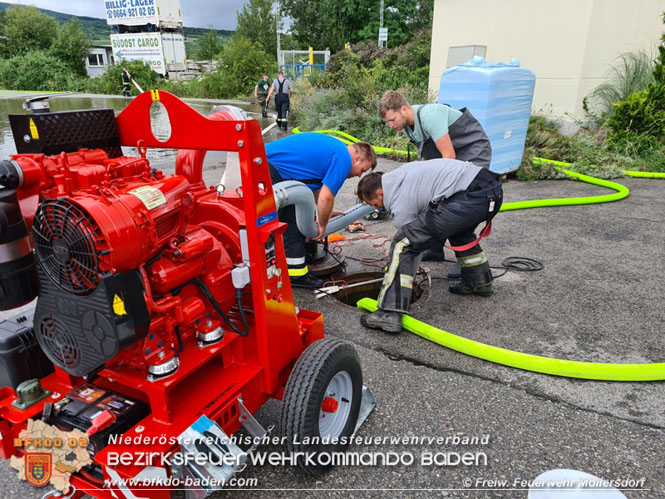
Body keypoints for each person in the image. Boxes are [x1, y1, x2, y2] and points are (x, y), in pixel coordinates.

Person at [356, 159, 502, 333]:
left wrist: (399, 268)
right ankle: (479, 281)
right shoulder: (400, 175)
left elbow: (410, 241)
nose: (378, 209)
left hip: (469, 196)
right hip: (491, 190)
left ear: (380, 193)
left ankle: (389, 312)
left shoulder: (398, 197)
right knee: (460, 233)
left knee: (402, 245)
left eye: (375, 205)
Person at [378, 90, 494, 270]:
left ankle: (466, 259)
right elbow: (426, 162)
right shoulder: (409, 128)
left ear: (404, 109)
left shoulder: (430, 116)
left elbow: (448, 157)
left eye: (392, 120)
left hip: (472, 150)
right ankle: (434, 248)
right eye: (388, 122)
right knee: (432, 199)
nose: (391, 125)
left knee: (461, 206)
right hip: (453, 155)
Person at [266, 133, 377, 289]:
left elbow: (315, 188)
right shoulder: (343, 159)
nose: (359, 175)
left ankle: (292, 271)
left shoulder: (336, 150)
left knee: (294, 218)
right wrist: (322, 226)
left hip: (269, 166)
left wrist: (326, 212)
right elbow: (326, 197)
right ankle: (293, 274)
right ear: (357, 159)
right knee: (283, 223)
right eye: (362, 170)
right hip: (267, 168)